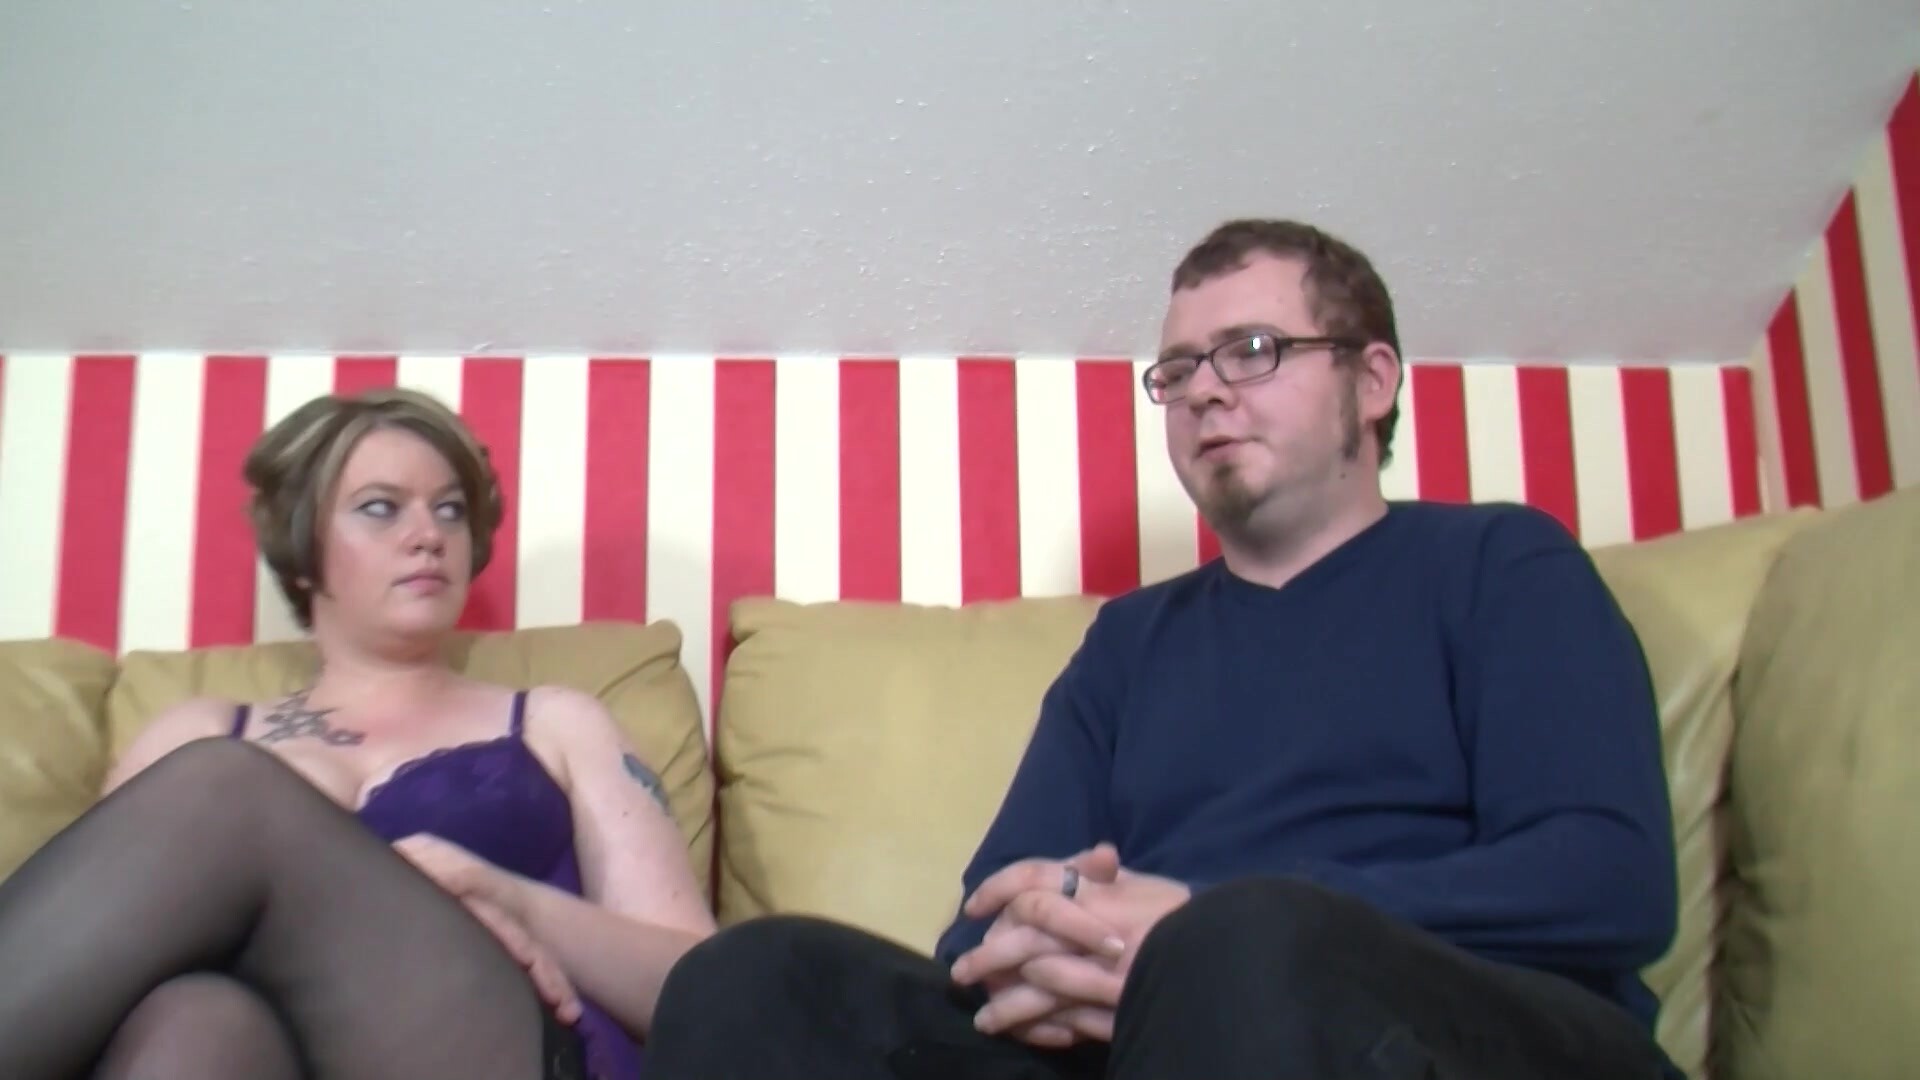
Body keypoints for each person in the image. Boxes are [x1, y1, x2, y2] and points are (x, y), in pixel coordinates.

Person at [640, 219, 1684, 1079]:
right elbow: (986, 925)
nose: (1204, 392)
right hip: (1155, 1033)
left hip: (1458, 1031)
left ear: (1372, 381)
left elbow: (1608, 879)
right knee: (752, 981)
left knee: (1243, 942)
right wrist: (1071, 951)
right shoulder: (1131, 643)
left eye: (1253, 351)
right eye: (1178, 370)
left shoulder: (1502, 563)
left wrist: (1196, 920)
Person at [0, 387, 715, 1080]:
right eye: (381, 508)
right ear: (303, 546)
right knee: (199, 1017)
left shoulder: (556, 722)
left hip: (500, 1050)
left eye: (450, 511)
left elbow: (707, 987)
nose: (429, 535)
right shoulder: (193, 730)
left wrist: (513, 900)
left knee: (229, 787)